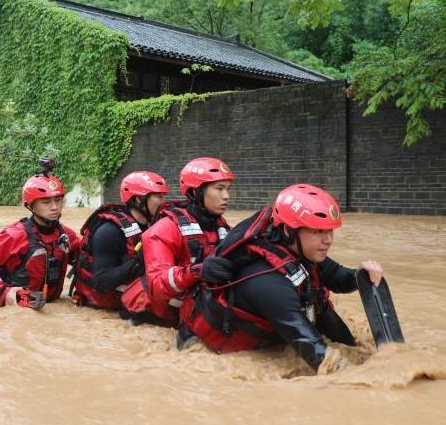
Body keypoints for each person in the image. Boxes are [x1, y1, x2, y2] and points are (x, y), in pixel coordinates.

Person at [179, 183, 384, 373]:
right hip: (202, 341)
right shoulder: (269, 283)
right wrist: (377, 379)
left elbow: (337, 277)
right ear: (289, 231)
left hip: (273, 327)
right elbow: (318, 355)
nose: (328, 240)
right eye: (317, 231)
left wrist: (360, 275)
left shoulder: (300, 251)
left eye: (330, 231)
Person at [135, 157, 233, 327]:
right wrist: (197, 272)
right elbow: (157, 286)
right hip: (163, 314)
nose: (226, 196)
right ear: (196, 192)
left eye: (228, 189)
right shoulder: (164, 229)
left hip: (201, 305)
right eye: (219, 189)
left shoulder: (221, 226)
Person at [0, 166, 81, 309]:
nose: (54, 207)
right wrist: (5, 294)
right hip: (21, 307)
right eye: (46, 202)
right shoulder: (15, 235)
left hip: (53, 305)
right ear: (31, 206)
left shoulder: (66, 235)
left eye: (58, 200)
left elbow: (87, 258)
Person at [70, 171, 169, 310]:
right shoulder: (109, 232)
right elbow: (101, 282)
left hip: (133, 296)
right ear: (138, 200)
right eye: (159, 197)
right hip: (105, 304)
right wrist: (139, 262)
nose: (163, 203)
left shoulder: (152, 225)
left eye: (164, 197)